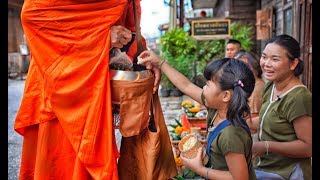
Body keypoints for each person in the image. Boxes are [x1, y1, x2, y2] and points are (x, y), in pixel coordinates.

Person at [14, 0, 162, 179]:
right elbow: (33, 15)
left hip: (94, 86)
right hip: (58, 85)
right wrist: (101, 38)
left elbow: (130, 26)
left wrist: (142, 58)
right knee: (59, 165)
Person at [139, 51, 257, 180]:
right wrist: (160, 63)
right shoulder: (216, 110)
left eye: (207, 85)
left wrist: (200, 169)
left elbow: (240, 178)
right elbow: (186, 86)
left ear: (226, 96)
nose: (203, 88)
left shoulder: (231, 134)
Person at [250, 34, 312, 179]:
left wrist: (266, 146)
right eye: (264, 57)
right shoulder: (272, 85)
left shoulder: (299, 97)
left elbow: (308, 147)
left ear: (293, 64)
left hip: (287, 172)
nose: (266, 64)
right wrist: (241, 123)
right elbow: (271, 118)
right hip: (266, 167)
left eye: (275, 59)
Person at [234, 50, 265, 133]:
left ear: (255, 68)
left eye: (246, 66)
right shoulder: (248, 85)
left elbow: (253, 120)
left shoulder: (256, 89)